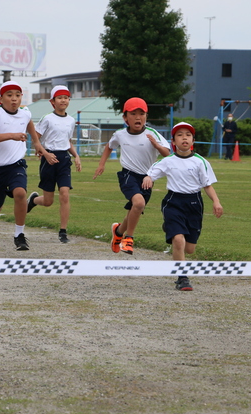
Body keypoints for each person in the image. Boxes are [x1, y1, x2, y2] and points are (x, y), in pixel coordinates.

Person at [142, 122, 223, 291]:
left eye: (188, 134)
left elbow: (207, 185)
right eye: (179, 135)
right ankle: (182, 278)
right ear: (173, 142)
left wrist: (216, 201)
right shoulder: (168, 161)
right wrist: (148, 178)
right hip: (173, 202)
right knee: (178, 240)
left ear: (193, 140)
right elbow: (151, 173)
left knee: (190, 249)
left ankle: (170, 228)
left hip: (194, 204)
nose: (184, 137)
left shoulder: (200, 162)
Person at [93, 97, 171, 255]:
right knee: (139, 203)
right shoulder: (120, 134)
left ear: (146, 117)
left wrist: (156, 145)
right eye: (133, 113)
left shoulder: (153, 134)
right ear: (125, 118)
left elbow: (167, 153)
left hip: (147, 178)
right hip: (128, 175)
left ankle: (118, 232)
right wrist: (102, 164)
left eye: (141, 113)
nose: (138, 117)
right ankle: (129, 239)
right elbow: (109, 146)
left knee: (135, 209)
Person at [0, 81, 48, 251]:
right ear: (0, 98)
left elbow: (29, 121)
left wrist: (37, 142)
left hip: (16, 164)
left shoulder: (24, 112)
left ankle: (19, 235)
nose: (14, 99)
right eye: (9, 95)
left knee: (20, 193)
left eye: (17, 95)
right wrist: (11, 136)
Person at [27, 85, 82, 244]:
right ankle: (33, 200)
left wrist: (76, 155)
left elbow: (67, 142)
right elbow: (35, 141)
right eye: (60, 97)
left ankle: (63, 231)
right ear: (53, 102)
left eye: (66, 97)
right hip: (49, 160)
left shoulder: (71, 120)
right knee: (48, 201)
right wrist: (45, 154)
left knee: (65, 194)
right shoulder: (47, 119)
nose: (63, 100)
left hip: (64, 160)